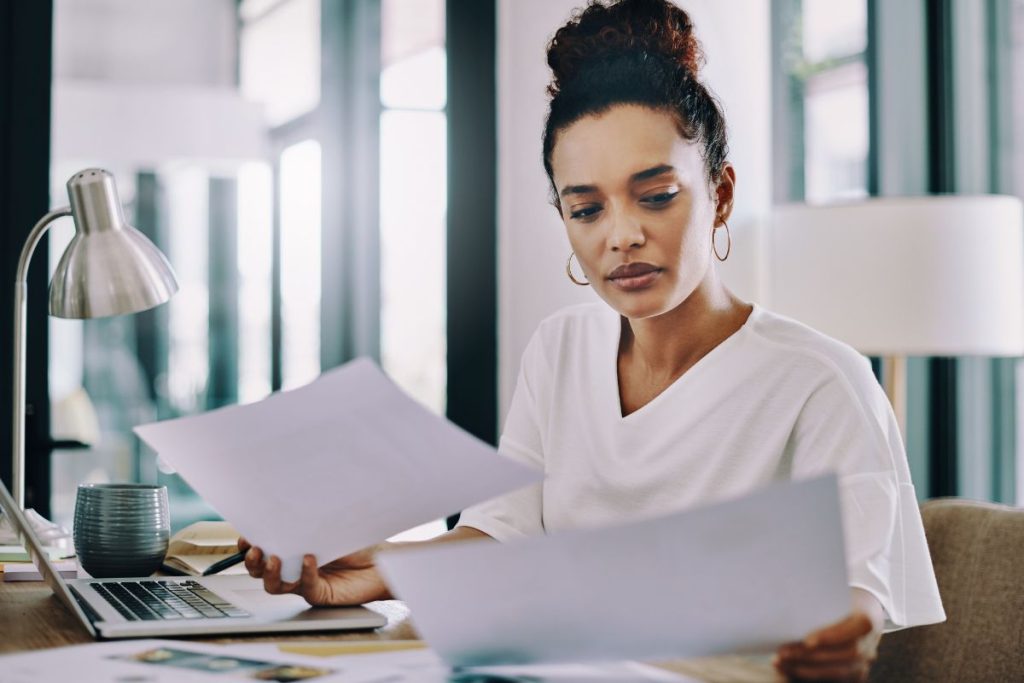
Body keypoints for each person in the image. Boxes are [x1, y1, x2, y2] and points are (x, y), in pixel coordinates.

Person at [241, 0, 945, 679]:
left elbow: (856, 601)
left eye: (656, 195)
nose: (622, 235)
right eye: (586, 208)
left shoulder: (822, 381)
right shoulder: (560, 348)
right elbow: (501, 538)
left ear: (721, 193)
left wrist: (840, 643)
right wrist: (377, 566)